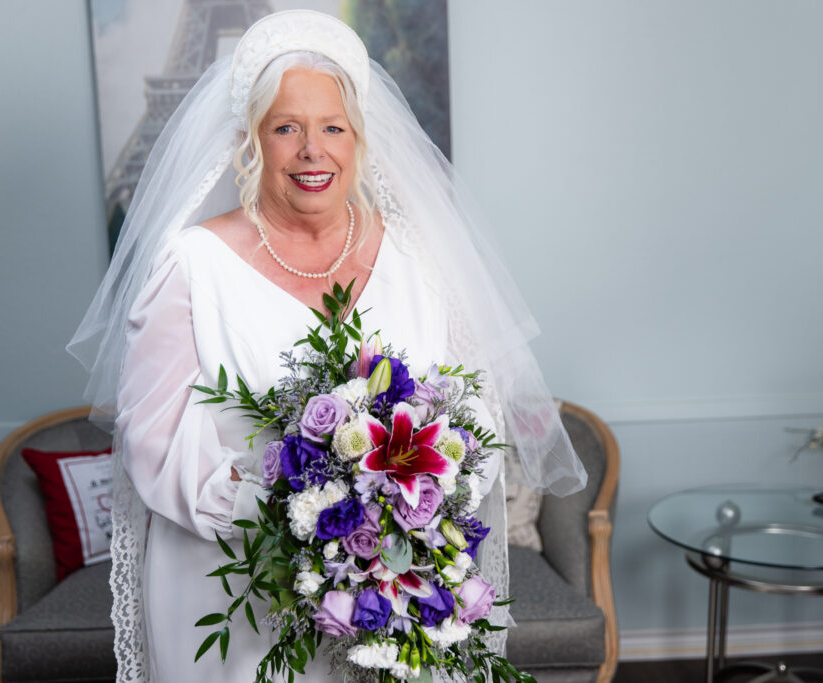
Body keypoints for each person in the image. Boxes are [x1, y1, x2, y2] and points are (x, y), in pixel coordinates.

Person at [69, 10, 586, 683]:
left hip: (396, 597)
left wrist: (404, 516)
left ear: (360, 140)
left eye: (332, 127)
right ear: (250, 140)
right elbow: (154, 441)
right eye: (287, 127)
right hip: (236, 598)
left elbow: (477, 413)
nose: (313, 150)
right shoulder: (191, 265)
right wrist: (311, 522)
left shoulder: (422, 256)